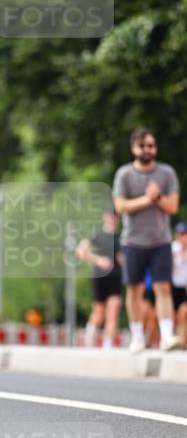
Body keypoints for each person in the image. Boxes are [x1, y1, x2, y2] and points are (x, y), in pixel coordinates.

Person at [113, 127, 180, 352]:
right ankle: (137, 337)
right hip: (132, 242)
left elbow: (172, 206)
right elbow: (121, 206)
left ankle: (167, 336)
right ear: (134, 148)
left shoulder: (166, 173)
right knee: (134, 290)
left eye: (151, 145)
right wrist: (147, 198)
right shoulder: (124, 175)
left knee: (163, 288)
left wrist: (158, 197)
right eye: (143, 146)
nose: (147, 149)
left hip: (160, 240)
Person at [76, 209, 123, 348]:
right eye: (110, 215)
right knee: (99, 312)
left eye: (115, 216)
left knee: (113, 311)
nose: (112, 218)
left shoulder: (122, 236)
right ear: (105, 217)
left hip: (116, 277)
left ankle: (108, 345)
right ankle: (89, 339)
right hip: (100, 277)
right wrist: (98, 260)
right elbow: (80, 251)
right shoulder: (97, 234)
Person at [171, 222, 187, 348]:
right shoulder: (172, 248)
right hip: (172, 287)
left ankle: (182, 342)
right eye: (181, 234)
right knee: (173, 317)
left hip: (184, 288)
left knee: (183, 314)